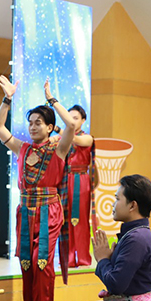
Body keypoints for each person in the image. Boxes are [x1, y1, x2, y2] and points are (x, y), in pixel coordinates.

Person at [0, 76, 75, 301]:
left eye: (38, 123)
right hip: (25, 212)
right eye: (30, 123)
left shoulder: (58, 149)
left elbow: (71, 125)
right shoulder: (23, 148)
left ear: (50, 127)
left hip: (49, 210)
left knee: (43, 262)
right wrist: (7, 99)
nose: (32, 127)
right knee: (26, 262)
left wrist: (52, 100)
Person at [58, 100, 96, 268]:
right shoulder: (62, 138)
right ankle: (67, 257)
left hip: (80, 180)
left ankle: (81, 256)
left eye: (75, 118)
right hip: (64, 180)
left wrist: (58, 130)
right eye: (69, 118)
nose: (72, 121)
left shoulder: (87, 138)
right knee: (64, 219)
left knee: (80, 219)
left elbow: (77, 141)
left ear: (83, 120)